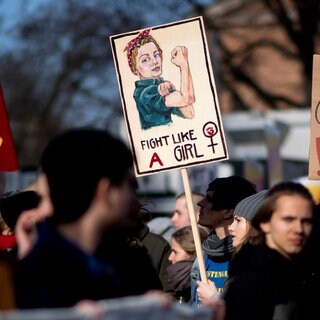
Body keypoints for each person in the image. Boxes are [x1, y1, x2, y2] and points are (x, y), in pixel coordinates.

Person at [13, 128, 138, 309]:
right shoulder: (40, 282)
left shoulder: (114, 264)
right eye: (129, 184)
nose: (132, 195)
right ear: (106, 191)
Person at [223, 181, 314, 320]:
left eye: (306, 221)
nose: (299, 229)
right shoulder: (251, 281)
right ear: (264, 223)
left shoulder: (300, 274)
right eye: (288, 220)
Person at [190, 175, 257, 307]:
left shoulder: (248, 259)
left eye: (209, 199)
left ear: (227, 212)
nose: (200, 203)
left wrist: (216, 301)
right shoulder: (203, 255)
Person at [196, 189, 268, 304]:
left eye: (238, 221)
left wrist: (214, 299)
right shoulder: (243, 261)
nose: (231, 227)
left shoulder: (265, 268)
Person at [124, 29, 195, 130]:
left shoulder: (161, 86)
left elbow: (190, 112)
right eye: (145, 59)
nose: (154, 61)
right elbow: (186, 99)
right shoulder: (146, 93)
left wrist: (172, 92)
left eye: (156, 54)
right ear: (135, 69)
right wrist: (183, 65)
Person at [167, 226, 207, 304]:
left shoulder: (202, 286)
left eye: (175, 252)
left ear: (193, 253)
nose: (170, 258)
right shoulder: (180, 288)